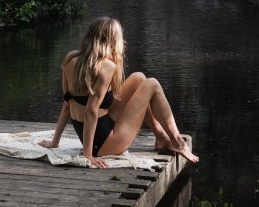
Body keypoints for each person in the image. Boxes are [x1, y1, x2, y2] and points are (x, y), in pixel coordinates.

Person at [38, 16, 198, 169]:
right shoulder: (106, 66)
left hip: (96, 134)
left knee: (139, 78)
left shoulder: (70, 59)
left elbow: (67, 104)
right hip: (105, 144)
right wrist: (88, 154)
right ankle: (177, 142)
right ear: (113, 41)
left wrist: (55, 142)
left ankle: (161, 137)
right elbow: (91, 111)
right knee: (153, 84)